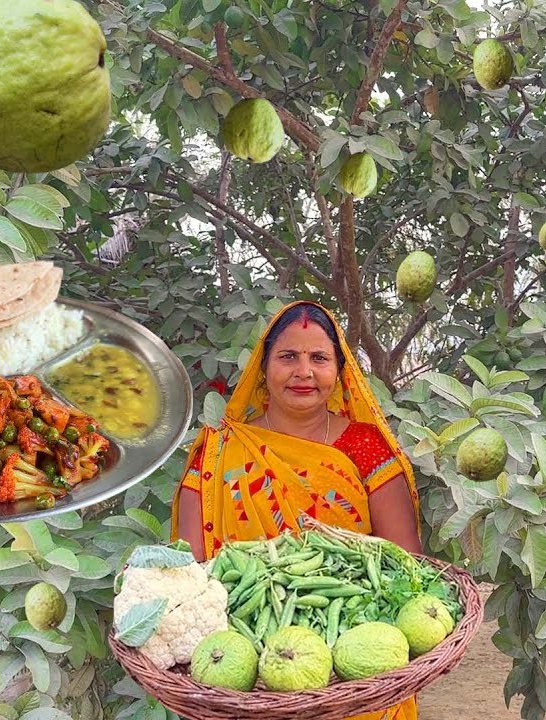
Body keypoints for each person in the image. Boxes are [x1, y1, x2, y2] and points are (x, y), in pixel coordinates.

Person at [172, 300, 422, 720]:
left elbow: (407, 562)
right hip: (246, 673)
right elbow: (189, 568)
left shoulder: (365, 446)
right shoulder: (220, 453)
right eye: (288, 356)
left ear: (339, 372)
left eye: (319, 358)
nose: (304, 372)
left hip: (353, 673)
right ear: (262, 367)